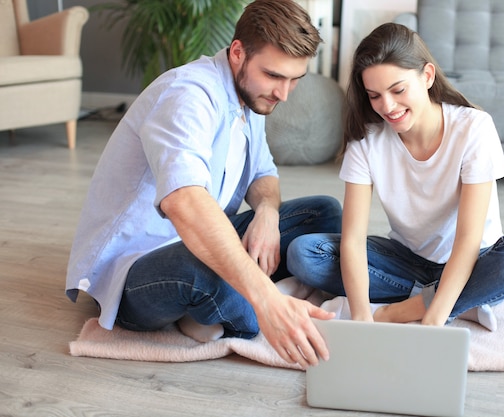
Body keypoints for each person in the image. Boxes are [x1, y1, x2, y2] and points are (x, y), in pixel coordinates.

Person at [65, 0, 342, 369]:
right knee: (208, 273)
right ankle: (260, 301)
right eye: (275, 76)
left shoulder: (250, 97)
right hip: (137, 269)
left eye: (294, 79)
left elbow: (264, 175)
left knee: (323, 212)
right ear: (238, 52)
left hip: (198, 238)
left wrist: (267, 212)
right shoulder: (188, 95)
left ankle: (223, 306)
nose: (284, 94)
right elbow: (185, 203)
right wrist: (265, 299)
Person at [287, 23, 504, 331]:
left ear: (427, 76)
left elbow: (467, 240)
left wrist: (431, 319)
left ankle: (407, 308)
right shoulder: (366, 140)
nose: (388, 107)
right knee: (304, 254)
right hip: (406, 260)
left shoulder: (474, 128)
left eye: (398, 90)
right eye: (375, 96)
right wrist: (361, 318)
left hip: (472, 261)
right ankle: (465, 301)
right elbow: (353, 239)